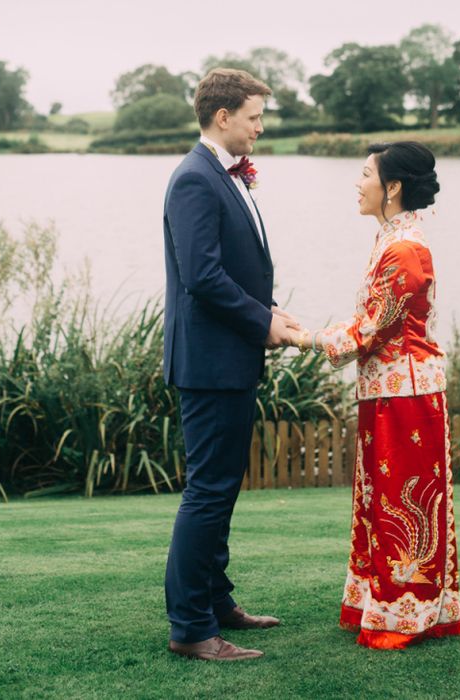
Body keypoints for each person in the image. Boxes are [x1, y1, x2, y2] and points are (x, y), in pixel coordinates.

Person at [288, 142, 460, 649]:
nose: (357, 182)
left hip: (406, 396)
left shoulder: (404, 250)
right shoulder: (393, 240)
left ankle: (402, 616)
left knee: (402, 504)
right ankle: (395, 605)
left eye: (365, 173)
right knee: (383, 499)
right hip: (390, 392)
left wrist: (300, 336)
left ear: (393, 187)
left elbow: (369, 330)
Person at [163, 68, 300, 661]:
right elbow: (201, 276)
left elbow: (234, 270)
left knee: (220, 490)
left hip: (230, 357)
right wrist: (262, 322)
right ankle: (192, 628)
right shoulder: (195, 179)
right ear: (223, 117)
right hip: (211, 363)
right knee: (208, 493)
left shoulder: (223, 176)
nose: (260, 127)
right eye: (253, 116)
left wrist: (269, 311)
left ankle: (219, 604)